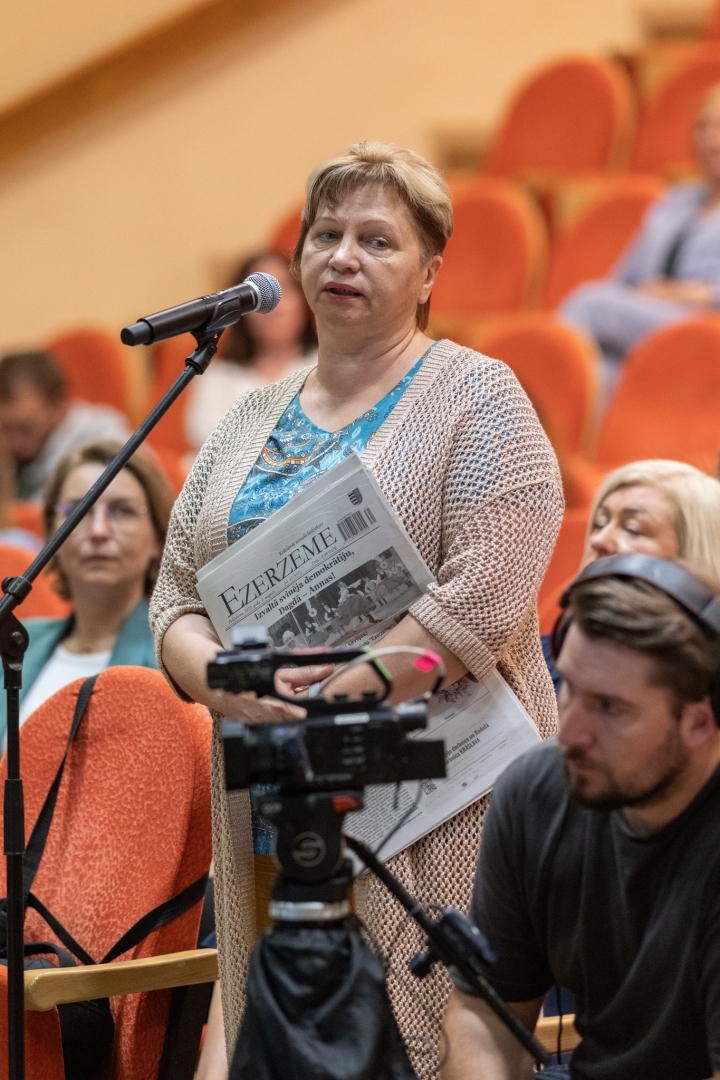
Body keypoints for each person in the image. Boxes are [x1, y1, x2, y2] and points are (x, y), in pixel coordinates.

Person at [150, 140, 563, 1076]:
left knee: (432, 1040)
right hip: (276, 786)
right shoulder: (246, 416)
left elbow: (487, 598)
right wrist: (224, 679)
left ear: (429, 273)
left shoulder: (477, 395)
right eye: (326, 234)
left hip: (443, 799)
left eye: (378, 240)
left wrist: (343, 692)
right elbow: (175, 594)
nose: (342, 256)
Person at [442, 555, 720, 1080]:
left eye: (610, 708)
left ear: (700, 721)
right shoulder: (538, 791)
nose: (569, 734)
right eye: (568, 686)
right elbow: (487, 1015)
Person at [0, 440, 174, 748]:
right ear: (53, 533)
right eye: (77, 511)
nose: (98, 531)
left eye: (122, 511)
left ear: (158, 537)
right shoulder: (13, 644)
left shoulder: (176, 656)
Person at [558, 85, 720, 392]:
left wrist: (690, 295)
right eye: (703, 127)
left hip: (706, 323)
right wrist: (641, 294)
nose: (711, 140)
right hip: (650, 315)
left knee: (589, 304)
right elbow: (625, 277)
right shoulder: (674, 202)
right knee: (603, 372)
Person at [542, 459, 720, 693]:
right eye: (599, 524)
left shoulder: (705, 691)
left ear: (692, 559)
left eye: (632, 529)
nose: (599, 540)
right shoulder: (535, 663)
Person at [184, 250, 318, 450]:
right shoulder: (219, 377)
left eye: (286, 290)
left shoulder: (327, 365)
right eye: (262, 298)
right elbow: (205, 442)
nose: (277, 308)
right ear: (240, 313)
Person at [0, 351, 130, 501]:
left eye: (24, 428)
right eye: (4, 428)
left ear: (60, 404)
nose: (12, 443)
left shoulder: (106, 443)